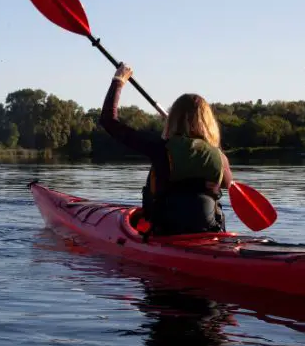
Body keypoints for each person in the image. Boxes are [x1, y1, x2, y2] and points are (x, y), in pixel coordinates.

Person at [100, 63, 233, 236]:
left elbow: (109, 120)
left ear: (173, 119)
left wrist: (118, 80)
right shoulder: (220, 157)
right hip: (208, 230)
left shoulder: (159, 148)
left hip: (166, 230)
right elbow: (228, 184)